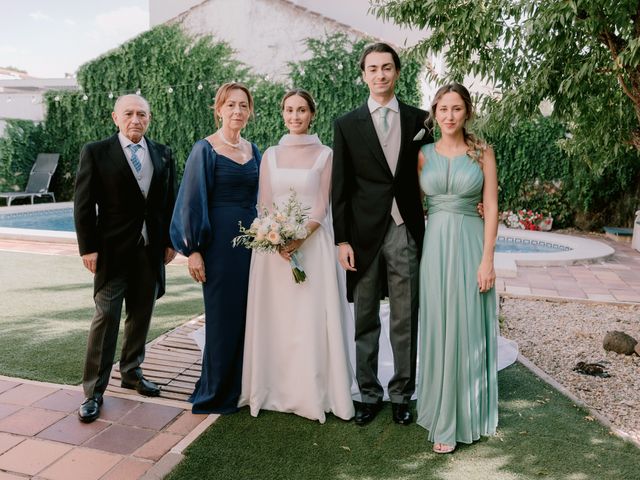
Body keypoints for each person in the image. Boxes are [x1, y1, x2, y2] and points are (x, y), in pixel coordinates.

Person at [239, 89, 354, 423]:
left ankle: (311, 390)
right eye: (289, 110)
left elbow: (322, 203)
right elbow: (264, 201)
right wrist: (274, 235)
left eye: (301, 110)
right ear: (282, 113)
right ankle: (271, 386)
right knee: (277, 315)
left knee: (310, 316)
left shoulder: (326, 154)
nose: (295, 116)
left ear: (311, 114)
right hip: (273, 249)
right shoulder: (271, 154)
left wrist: (300, 236)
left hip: (312, 245)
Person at [332, 42, 431, 426]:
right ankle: (369, 394)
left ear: (397, 72)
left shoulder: (421, 120)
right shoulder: (346, 124)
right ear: (363, 75)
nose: (380, 75)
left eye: (386, 68)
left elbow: (435, 168)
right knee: (366, 317)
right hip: (362, 236)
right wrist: (342, 240)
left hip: (405, 229)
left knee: (405, 316)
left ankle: (402, 395)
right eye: (372, 69)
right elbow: (339, 189)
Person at [74, 94, 177, 423]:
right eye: (129, 114)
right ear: (115, 118)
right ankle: (93, 391)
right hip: (112, 252)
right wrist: (88, 247)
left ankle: (131, 372)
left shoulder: (163, 153)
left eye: (142, 114)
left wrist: (170, 241)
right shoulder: (97, 152)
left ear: (149, 118)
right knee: (106, 318)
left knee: (141, 314)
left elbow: (168, 201)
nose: (136, 119)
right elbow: (84, 203)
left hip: (149, 251)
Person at [416, 83, 499, 454]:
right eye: (443, 109)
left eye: (456, 109)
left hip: (469, 244)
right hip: (434, 248)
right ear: (434, 112)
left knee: (465, 325)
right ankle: (439, 411)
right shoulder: (421, 155)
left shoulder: (483, 153)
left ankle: (464, 414)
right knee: (438, 324)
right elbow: (413, 204)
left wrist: (487, 260)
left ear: (467, 112)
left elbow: (492, 207)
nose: (449, 116)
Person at [170, 82, 261, 414]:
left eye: (243, 105)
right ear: (219, 109)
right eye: (231, 105)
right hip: (218, 246)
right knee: (222, 317)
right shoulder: (204, 149)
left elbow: (263, 196)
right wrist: (193, 250)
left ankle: (242, 385)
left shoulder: (254, 150)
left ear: (249, 111)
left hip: (253, 244)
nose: (237, 111)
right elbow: (191, 202)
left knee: (248, 315)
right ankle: (217, 391)